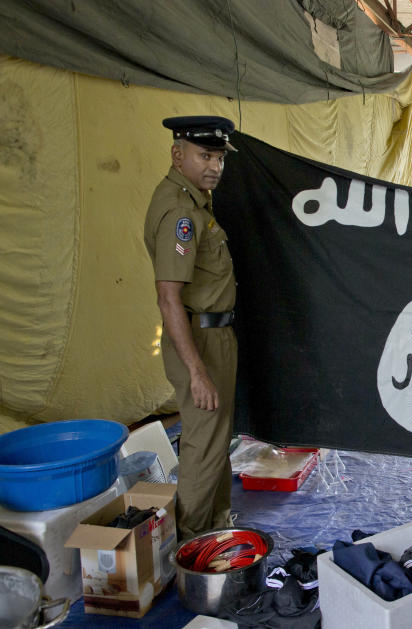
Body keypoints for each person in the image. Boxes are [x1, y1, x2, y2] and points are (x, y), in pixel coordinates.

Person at [143, 115, 239, 540]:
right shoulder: (181, 211)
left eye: (219, 157)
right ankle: (192, 543)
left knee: (216, 440)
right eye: (205, 155)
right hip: (199, 338)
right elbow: (168, 297)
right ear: (177, 154)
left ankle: (215, 526)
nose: (214, 166)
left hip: (214, 334)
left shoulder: (196, 199)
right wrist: (198, 371)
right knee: (202, 445)